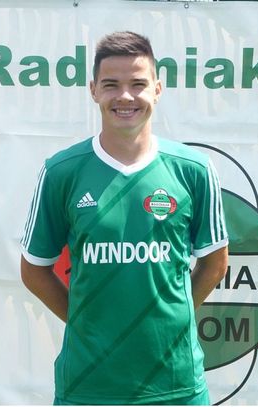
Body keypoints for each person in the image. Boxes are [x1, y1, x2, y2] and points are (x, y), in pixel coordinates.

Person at [20, 31, 228, 405]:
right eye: (111, 85)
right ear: (93, 91)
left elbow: (215, 264)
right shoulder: (62, 172)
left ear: (158, 90)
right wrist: (86, 322)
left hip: (176, 384)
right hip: (88, 384)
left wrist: (171, 320)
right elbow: (34, 270)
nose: (126, 97)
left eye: (138, 84)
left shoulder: (193, 170)